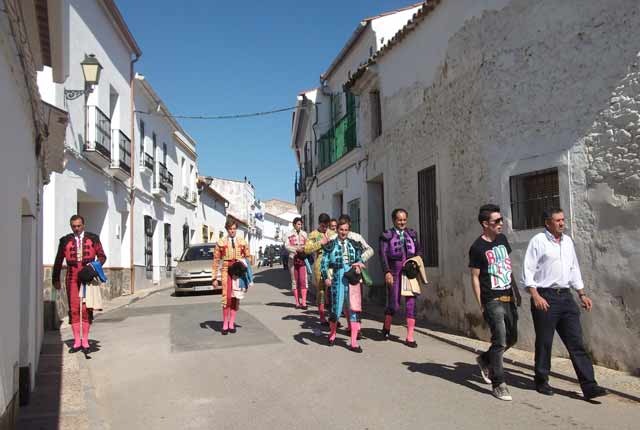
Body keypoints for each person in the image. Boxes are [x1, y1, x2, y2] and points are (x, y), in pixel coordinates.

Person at [523, 208, 607, 400]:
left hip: (566, 298)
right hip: (546, 296)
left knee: (576, 342)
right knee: (545, 342)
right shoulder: (538, 241)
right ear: (548, 223)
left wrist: (582, 293)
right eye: (557, 220)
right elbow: (528, 270)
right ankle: (541, 380)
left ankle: (589, 386)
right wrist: (535, 295)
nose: (562, 223)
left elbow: (573, 268)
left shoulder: (568, 241)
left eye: (563, 219)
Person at [469, 204, 520, 401]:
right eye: (496, 221)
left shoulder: (502, 240)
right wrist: (480, 302)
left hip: (508, 296)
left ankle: (485, 359)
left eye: (501, 220)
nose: (501, 223)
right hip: (492, 299)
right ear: (485, 224)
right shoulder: (477, 247)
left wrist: (515, 290)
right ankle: (499, 383)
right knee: (499, 340)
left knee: (512, 338)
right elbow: (474, 277)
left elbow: (507, 266)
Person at [52, 215, 107, 352]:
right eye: (74, 226)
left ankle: (85, 341)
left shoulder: (93, 238)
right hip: (72, 277)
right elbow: (58, 261)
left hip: (88, 276)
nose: (76, 229)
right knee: (74, 309)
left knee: (86, 309)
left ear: (83, 225)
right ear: (71, 226)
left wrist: (94, 267)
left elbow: (102, 256)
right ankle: (77, 341)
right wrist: (55, 279)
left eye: (78, 226)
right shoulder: (65, 241)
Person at [321, 215, 373, 352]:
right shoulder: (331, 244)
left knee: (354, 308)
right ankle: (332, 335)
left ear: (348, 230)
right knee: (336, 308)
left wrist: (358, 264)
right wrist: (326, 276)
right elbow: (324, 262)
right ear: (337, 230)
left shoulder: (353, 244)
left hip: (351, 277)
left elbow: (360, 257)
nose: (343, 232)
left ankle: (354, 342)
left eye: (346, 230)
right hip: (337, 276)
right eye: (341, 229)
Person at [379, 208, 423, 347]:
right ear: (394, 220)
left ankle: (410, 336)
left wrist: (417, 263)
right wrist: (386, 272)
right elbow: (383, 254)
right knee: (394, 304)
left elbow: (419, 251)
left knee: (411, 303)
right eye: (399, 220)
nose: (402, 222)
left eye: (404, 219)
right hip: (394, 271)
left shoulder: (412, 234)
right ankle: (386, 327)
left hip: (409, 271)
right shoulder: (387, 235)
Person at [213, 217, 251, 335]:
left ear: (236, 229)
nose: (232, 231)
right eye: (230, 229)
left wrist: (245, 268)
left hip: (238, 271)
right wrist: (214, 277)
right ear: (227, 229)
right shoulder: (221, 242)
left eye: (234, 229)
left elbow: (249, 257)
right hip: (226, 270)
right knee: (227, 297)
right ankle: (225, 323)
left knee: (236, 296)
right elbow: (215, 260)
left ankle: (231, 322)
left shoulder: (242, 242)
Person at [304, 213, 336, 324]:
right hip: (319, 263)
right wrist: (320, 243)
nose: (324, 228)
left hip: (332, 264)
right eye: (323, 226)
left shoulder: (332, 233)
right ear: (319, 224)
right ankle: (322, 316)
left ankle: (333, 317)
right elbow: (307, 249)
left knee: (333, 291)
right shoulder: (313, 234)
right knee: (321, 291)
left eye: (326, 226)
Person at [285, 217, 309, 309]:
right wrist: (296, 249)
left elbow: (308, 245)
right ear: (294, 224)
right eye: (298, 224)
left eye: (301, 224)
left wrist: (303, 249)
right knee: (294, 280)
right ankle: (297, 303)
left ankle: (304, 302)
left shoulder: (304, 234)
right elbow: (286, 246)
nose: (300, 226)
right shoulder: (288, 234)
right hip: (293, 259)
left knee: (303, 280)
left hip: (302, 259)